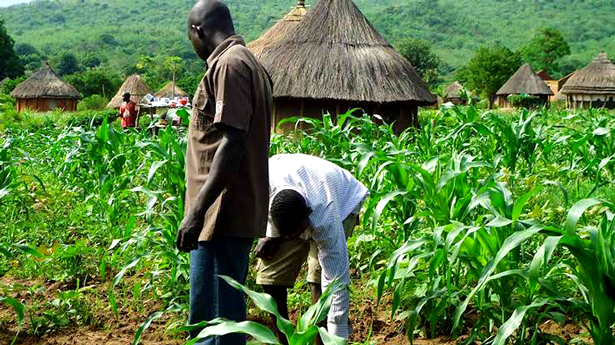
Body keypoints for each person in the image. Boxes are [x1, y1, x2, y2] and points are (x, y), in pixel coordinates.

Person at [176, 1, 273, 345]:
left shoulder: (230, 65)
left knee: (212, 322)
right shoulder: (248, 63)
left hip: (219, 214)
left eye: (190, 38)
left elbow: (232, 142)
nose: (192, 46)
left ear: (198, 31)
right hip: (224, 212)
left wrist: (197, 212)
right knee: (224, 315)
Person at [255, 154, 369, 342]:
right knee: (270, 276)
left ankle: (321, 340)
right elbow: (268, 211)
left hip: (343, 200)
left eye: (297, 233)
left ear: (308, 216)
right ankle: (285, 342)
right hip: (288, 189)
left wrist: (338, 338)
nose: (294, 239)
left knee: (320, 281)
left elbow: (337, 282)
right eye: (288, 236)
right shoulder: (264, 185)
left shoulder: (325, 217)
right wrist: (271, 234)